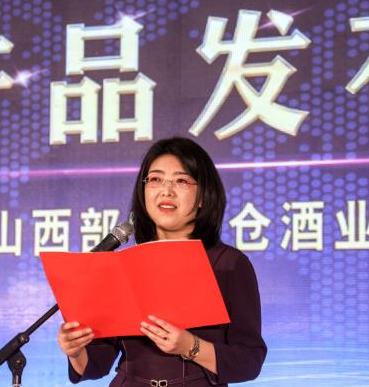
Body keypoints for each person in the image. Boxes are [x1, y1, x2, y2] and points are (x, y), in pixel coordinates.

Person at [58, 137, 266, 386]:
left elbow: (249, 361)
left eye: (181, 181)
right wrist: (76, 350)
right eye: (155, 179)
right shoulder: (125, 265)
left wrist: (190, 346)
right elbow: (99, 362)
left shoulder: (228, 263)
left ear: (202, 196)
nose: (166, 191)